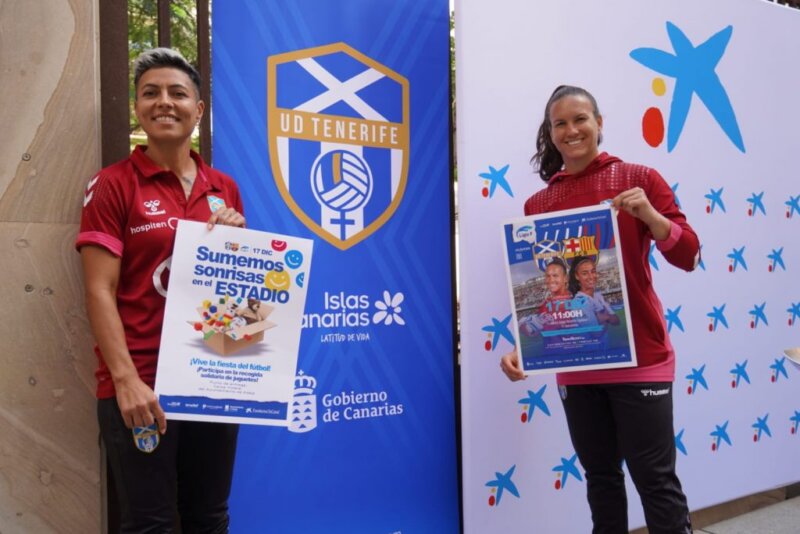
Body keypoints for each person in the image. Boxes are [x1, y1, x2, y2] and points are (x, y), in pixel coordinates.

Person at [500, 85, 699, 534]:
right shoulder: (539, 205)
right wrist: (524, 347)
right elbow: (542, 293)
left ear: (599, 123)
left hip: (641, 360)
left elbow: (688, 254)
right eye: (560, 124)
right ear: (550, 134)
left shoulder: (640, 180)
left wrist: (651, 215)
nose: (572, 130)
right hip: (577, 364)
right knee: (601, 482)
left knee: (655, 482)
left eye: (580, 119)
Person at [76, 48, 246, 532]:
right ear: (137, 107)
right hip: (142, 385)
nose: (163, 102)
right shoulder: (112, 185)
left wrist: (235, 239)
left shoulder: (224, 188)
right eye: (150, 93)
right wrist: (126, 381)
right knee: (149, 523)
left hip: (212, 378)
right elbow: (98, 291)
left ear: (198, 109)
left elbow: (232, 297)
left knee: (209, 517)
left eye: (177, 92)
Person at [569, 255, 620, 326]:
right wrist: (607, 316)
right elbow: (595, 333)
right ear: (577, 276)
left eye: (593, 271)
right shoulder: (578, 302)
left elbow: (616, 321)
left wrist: (604, 317)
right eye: (585, 273)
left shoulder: (597, 294)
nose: (591, 276)